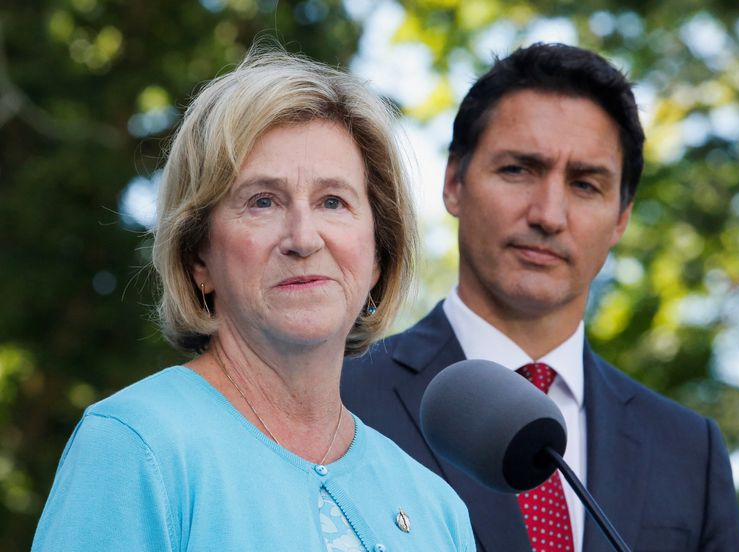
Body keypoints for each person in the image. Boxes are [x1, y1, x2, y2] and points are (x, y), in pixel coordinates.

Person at [32, 48, 476, 552]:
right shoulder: (135, 446)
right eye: (263, 201)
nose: (303, 238)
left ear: (378, 255)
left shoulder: (437, 507)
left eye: (334, 201)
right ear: (199, 256)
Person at [341, 43, 739, 552]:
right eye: (518, 170)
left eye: (585, 184)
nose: (549, 214)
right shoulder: (339, 397)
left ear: (621, 217)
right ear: (454, 183)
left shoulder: (690, 450)